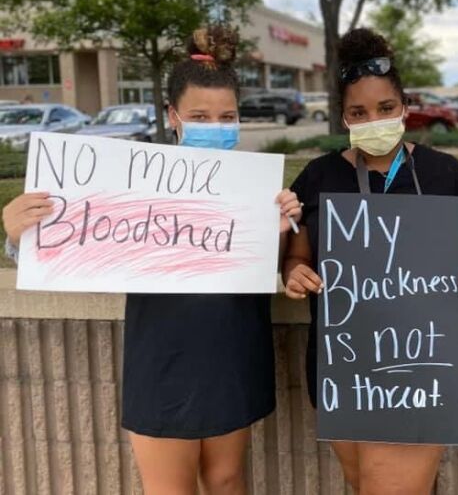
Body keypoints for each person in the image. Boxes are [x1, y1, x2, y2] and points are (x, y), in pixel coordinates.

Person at [2, 26, 303, 495]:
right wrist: (20, 237)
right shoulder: (134, 185)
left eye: (228, 116)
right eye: (201, 115)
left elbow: (270, 275)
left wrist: (282, 233)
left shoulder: (259, 191)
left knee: (228, 481)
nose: (217, 125)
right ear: (174, 116)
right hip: (162, 357)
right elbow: (79, 247)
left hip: (234, 352)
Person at [283, 27, 458, 495]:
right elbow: (297, 255)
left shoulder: (445, 172)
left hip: (419, 367)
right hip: (341, 367)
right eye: (359, 112)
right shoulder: (317, 177)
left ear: (404, 107)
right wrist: (293, 272)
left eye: (385, 109)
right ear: (344, 117)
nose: (373, 120)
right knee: (362, 484)